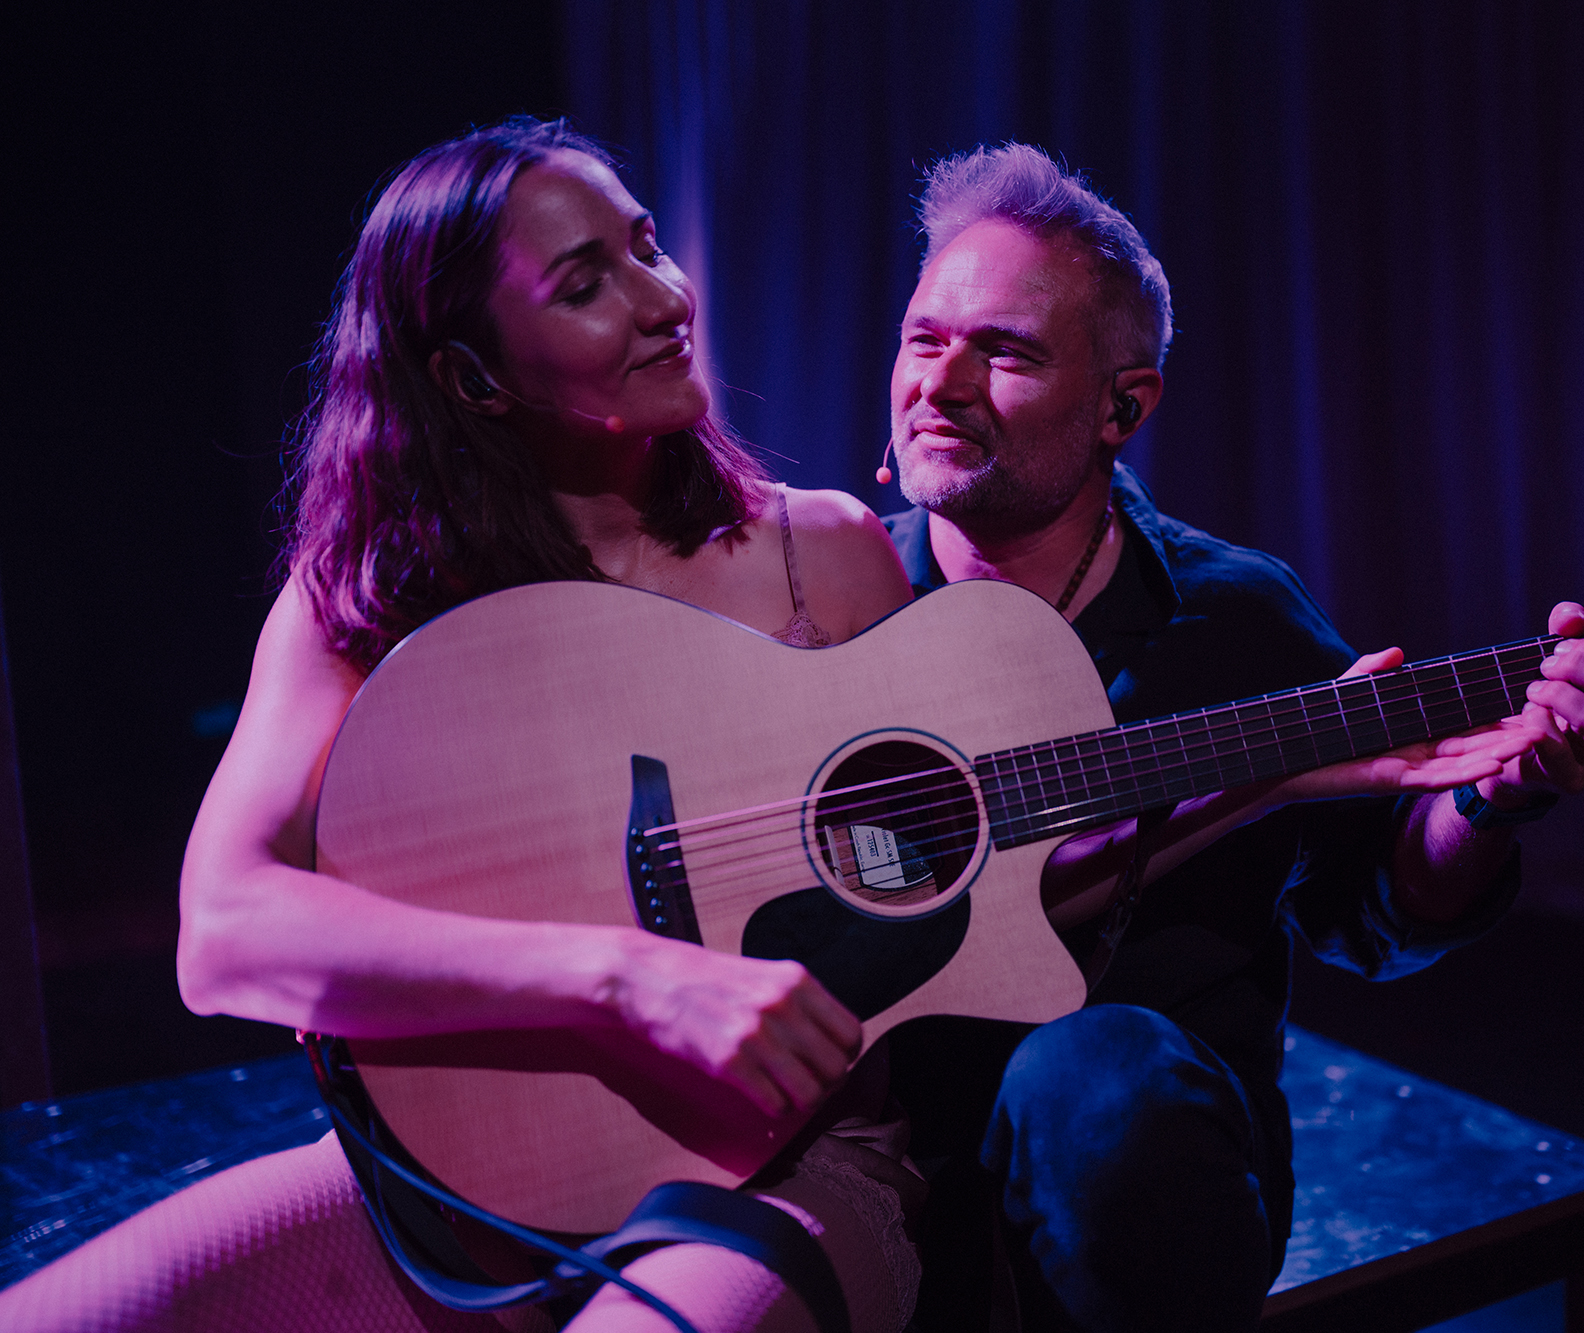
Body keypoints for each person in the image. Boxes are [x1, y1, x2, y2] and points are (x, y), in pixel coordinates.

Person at [0, 119, 921, 1333]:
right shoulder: (367, 602)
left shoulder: (822, 554)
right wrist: (626, 977)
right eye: (584, 285)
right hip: (462, 1187)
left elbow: (944, 874)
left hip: (785, 1168)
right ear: (473, 378)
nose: (662, 299)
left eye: (645, 245)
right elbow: (222, 932)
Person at [874, 144, 1584, 1332]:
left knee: (1092, 1074)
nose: (941, 382)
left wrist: (1490, 797)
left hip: (1140, 1194)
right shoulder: (832, 605)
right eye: (923, 339)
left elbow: (1373, 908)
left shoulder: (1232, 618)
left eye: (1006, 352)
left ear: (1122, 406)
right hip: (887, 1163)